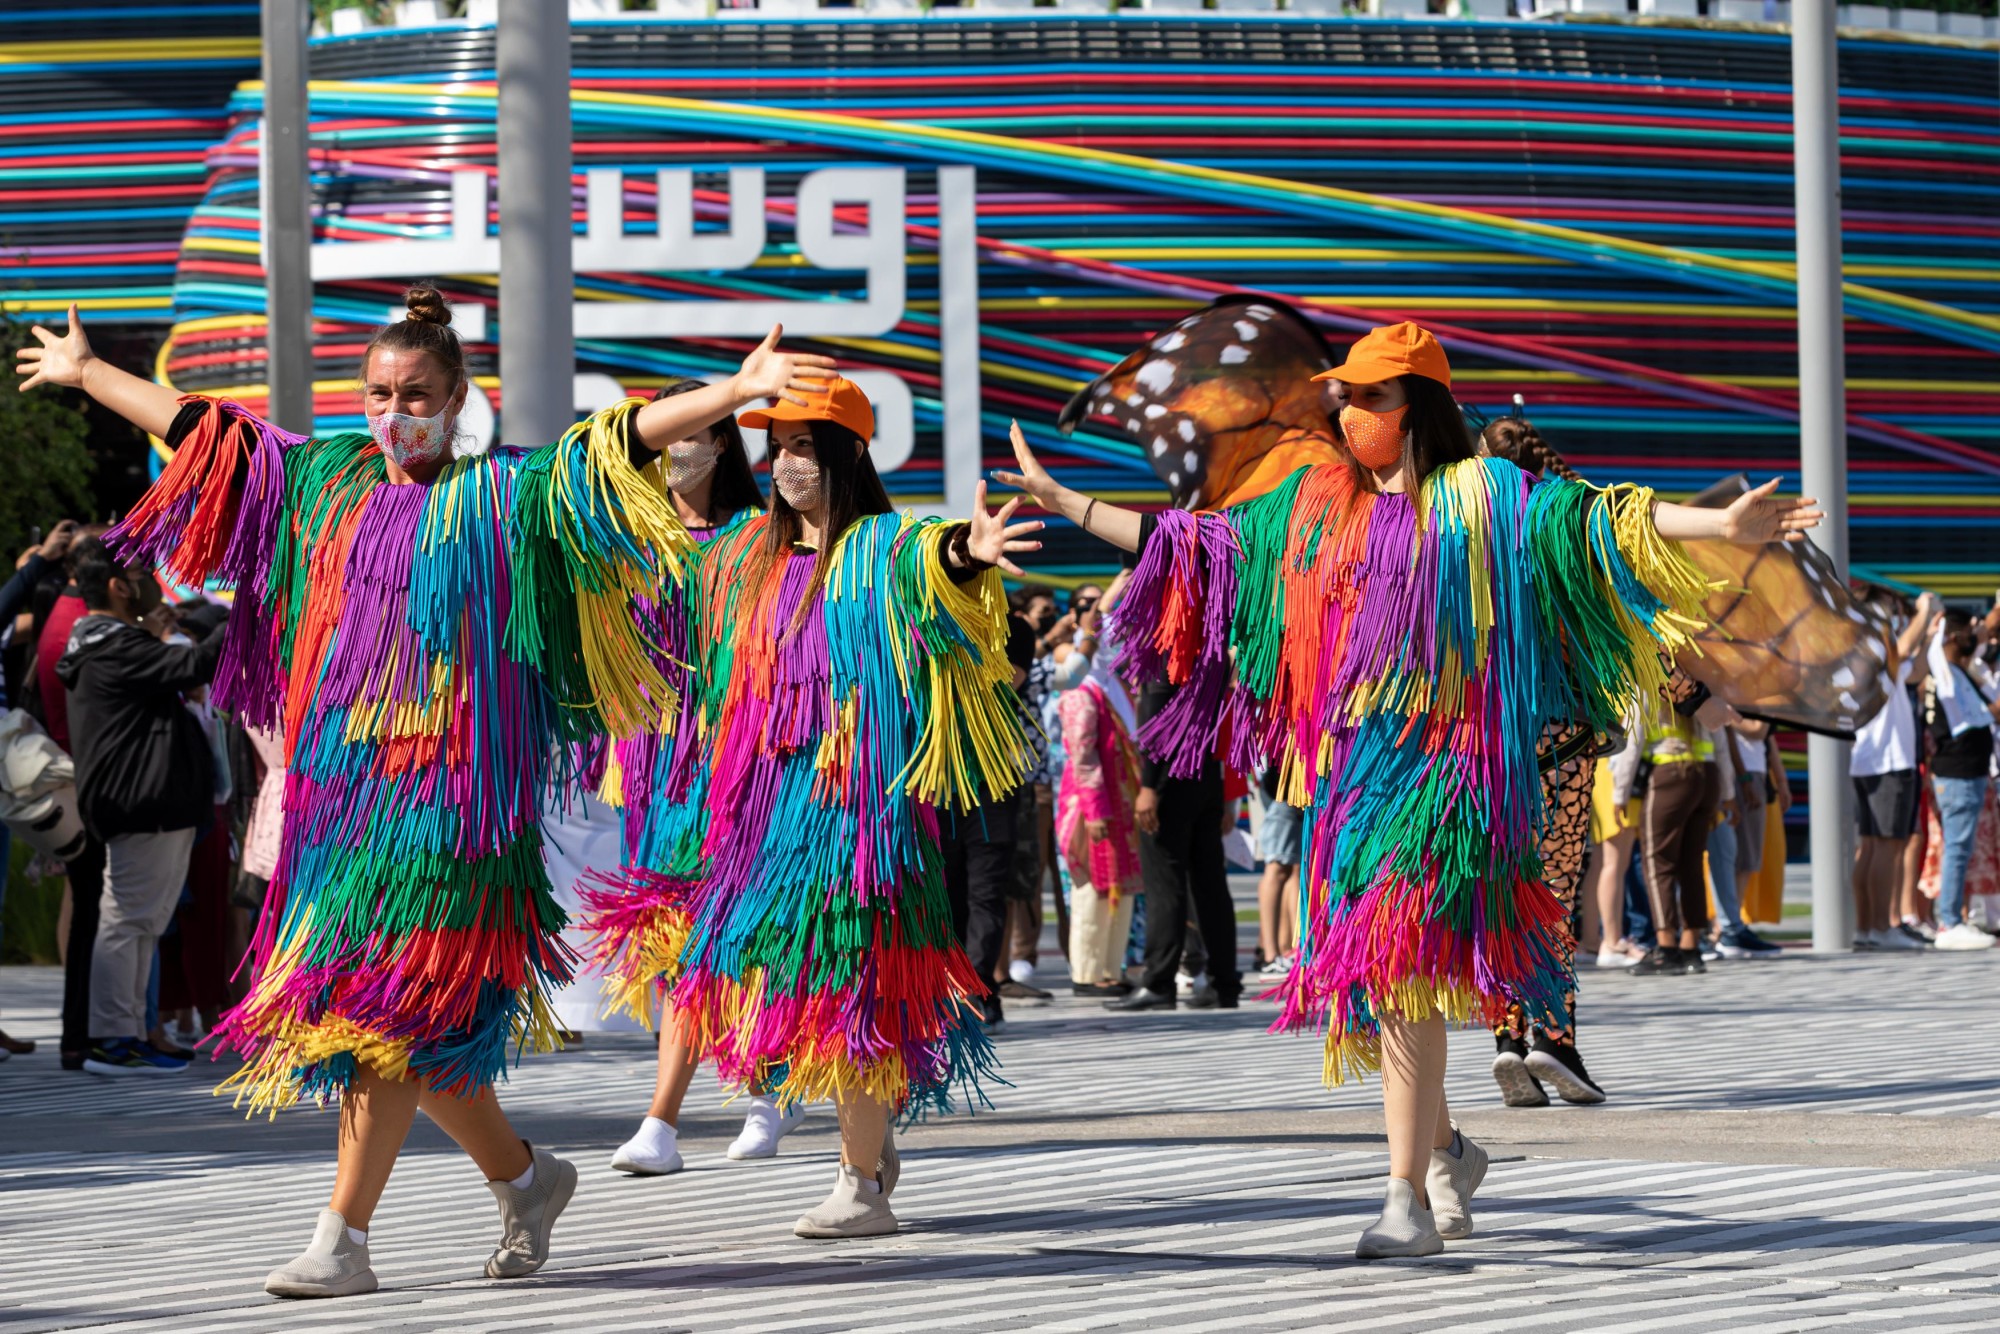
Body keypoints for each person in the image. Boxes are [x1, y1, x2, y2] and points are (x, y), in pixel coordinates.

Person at [17, 291, 831, 1296]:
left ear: (458, 401)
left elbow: (604, 447)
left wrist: (735, 390)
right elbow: (203, 433)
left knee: (380, 1020)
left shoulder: (500, 497)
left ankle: (341, 1238)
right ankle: (524, 1177)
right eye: (377, 391)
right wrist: (88, 372)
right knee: (409, 1030)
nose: (393, 410)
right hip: (347, 805)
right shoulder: (326, 479)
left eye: (415, 393)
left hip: (454, 812)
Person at [996, 320, 1817, 1257]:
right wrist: (1068, 500)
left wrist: (1719, 524)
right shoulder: (1317, 502)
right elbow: (1195, 540)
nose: (1350, 413)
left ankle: (1405, 1201)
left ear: (1419, 406)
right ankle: (1444, 1155)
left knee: (1407, 979)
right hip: (1361, 774)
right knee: (1391, 984)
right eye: (1344, 396)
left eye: (1372, 397)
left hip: (1458, 778)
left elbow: (1596, 519)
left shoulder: (1487, 496)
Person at [618, 374, 1043, 1240]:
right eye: (777, 447)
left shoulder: (889, 546)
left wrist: (969, 551)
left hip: (864, 816)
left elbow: (940, 558)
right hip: (764, 813)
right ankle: (865, 1147)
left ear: (850, 453)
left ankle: (859, 1183)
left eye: (805, 446)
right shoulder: (742, 557)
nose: (785, 463)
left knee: (856, 984)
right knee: (775, 977)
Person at [587, 380, 819, 1176]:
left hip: (740, 757)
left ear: (720, 445)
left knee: (737, 926)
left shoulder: (762, 538)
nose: (670, 448)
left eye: (689, 433)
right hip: (654, 757)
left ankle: (691, 1111)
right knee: (667, 934)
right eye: (663, 434)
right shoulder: (629, 538)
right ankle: (725, 1099)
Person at [51, 538, 223, 1075]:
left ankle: (125, 1033)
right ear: (116, 586)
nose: (150, 579)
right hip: (141, 802)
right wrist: (247, 617)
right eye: (140, 573)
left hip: (149, 803)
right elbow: (194, 664)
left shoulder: (112, 641)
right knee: (126, 920)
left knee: (141, 921)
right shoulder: (110, 645)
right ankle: (110, 1038)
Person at [1100, 673, 1243, 1014]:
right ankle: (1224, 982)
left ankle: (1159, 982)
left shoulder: (1166, 655)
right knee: (1210, 885)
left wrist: (1149, 785)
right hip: (1205, 772)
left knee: (1165, 884)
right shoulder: (1209, 649)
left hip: (1170, 778)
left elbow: (1156, 717)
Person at [1055, 615, 1143, 997]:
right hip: (1092, 806)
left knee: (1120, 889)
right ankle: (1088, 973)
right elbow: (1082, 757)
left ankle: (1110, 967)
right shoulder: (1080, 695)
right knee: (1092, 889)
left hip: (1118, 806)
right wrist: (1094, 811)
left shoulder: (1111, 692)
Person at [1851, 594, 1938, 951]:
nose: (1897, 617)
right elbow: (1902, 652)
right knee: (1886, 848)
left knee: (1873, 847)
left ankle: (1869, 929)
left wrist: (1929, 634)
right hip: (1887, 761)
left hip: (1870, 761)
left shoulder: (1863, 650)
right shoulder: (1875, 647)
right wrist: (1925, 611)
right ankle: (1878, 927)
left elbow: (1915, 671)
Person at [1924, 607, 1998, 951]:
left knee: (1961, 849)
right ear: (1951, 638)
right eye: (1968, 631)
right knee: (1956, 848)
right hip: (1957, 776)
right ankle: (1949, 921)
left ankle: (1953, 918)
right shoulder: (1944, 674)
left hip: (1967, 775)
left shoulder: (1958, 671)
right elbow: (1978, 717)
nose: (1975, 636)